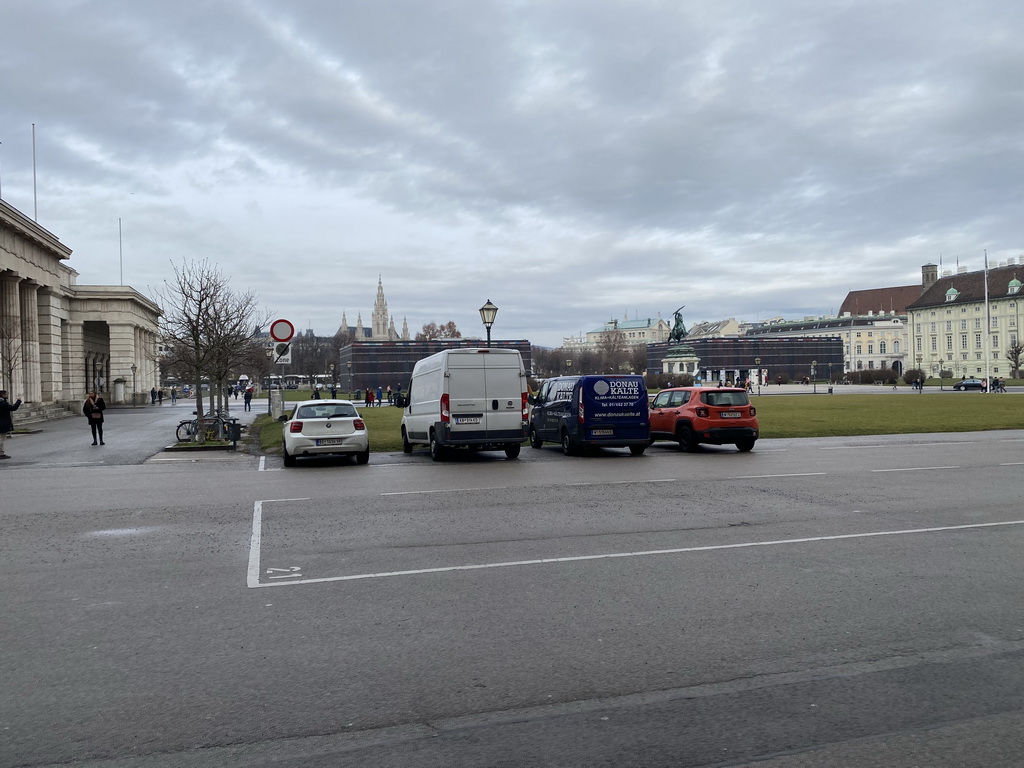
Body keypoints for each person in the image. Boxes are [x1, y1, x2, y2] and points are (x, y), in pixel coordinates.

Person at [0, 390, 23, 460]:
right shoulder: (2, 403)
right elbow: (13, 408)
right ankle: (1, 453)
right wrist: (18, 401)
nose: (7, 395)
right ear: (3, 395)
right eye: (6, 394)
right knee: (1, 439)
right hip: (2, 423)